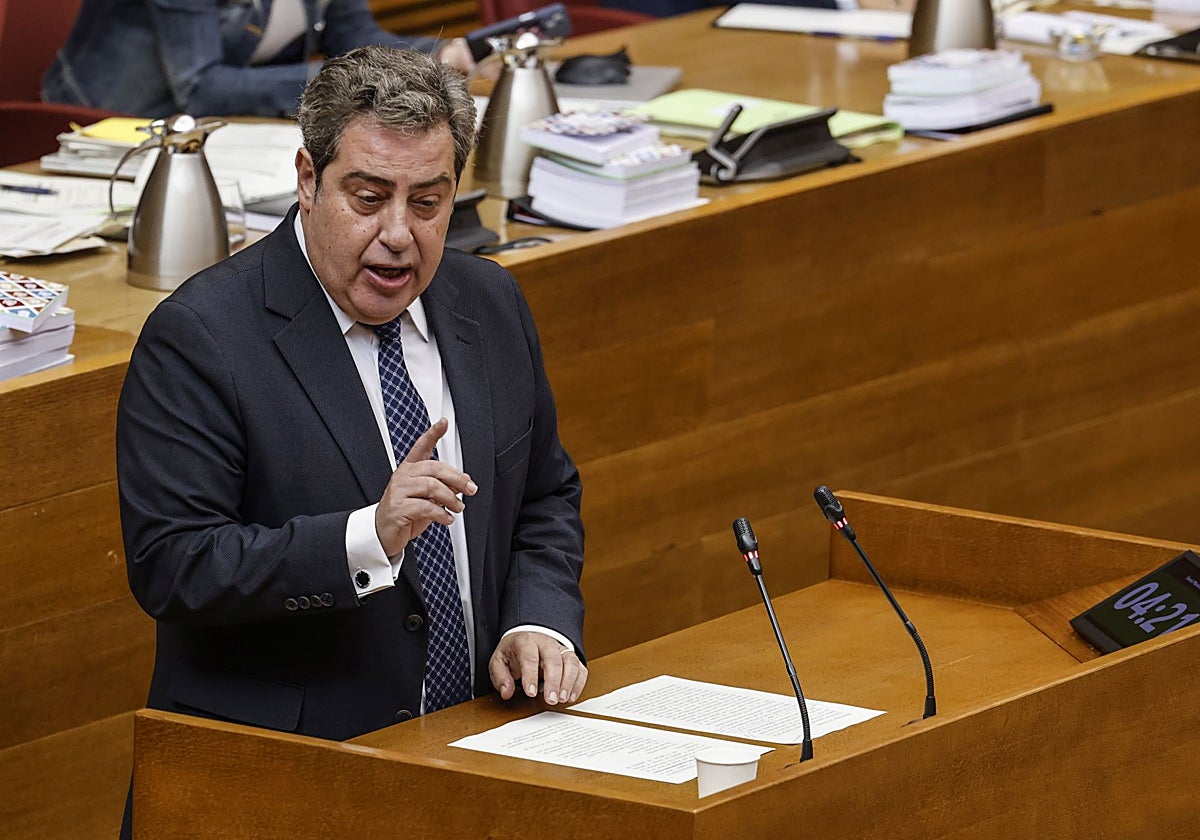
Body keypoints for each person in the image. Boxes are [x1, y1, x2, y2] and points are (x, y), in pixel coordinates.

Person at [115, 45, 586, 833]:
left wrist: (536, 621)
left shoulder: (490, 302)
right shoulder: (201, 336)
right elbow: (175, 566)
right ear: (308, 179)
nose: (399, 234)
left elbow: (544, 495)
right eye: (369, 198)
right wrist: (367, 537)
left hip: (467, 767)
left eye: (428, 202)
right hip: (275, 788)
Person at [42, 0, 475, 118]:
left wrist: (438, 54)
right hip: (105, 127)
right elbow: (200, 87)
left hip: (228, 132)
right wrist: (342, 79)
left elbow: (354, 36)